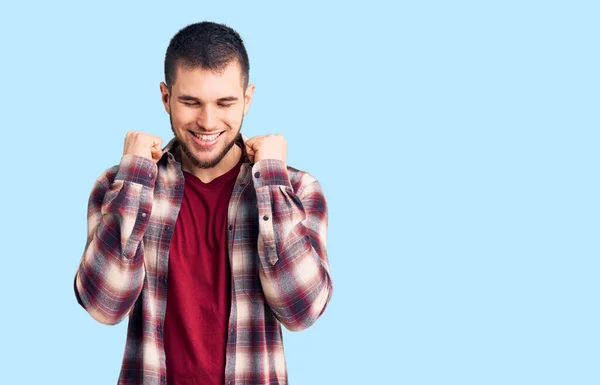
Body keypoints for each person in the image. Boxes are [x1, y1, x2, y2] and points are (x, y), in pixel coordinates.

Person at [73, 21, 332, 385]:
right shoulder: (119, 185)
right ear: (166, 98)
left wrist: (272, 179)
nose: (208, 122)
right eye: (191, 102)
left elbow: (301, 312)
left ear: (248, 98)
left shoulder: (297, 189)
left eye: (225, 102)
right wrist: (133, 177)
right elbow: (104, 306)